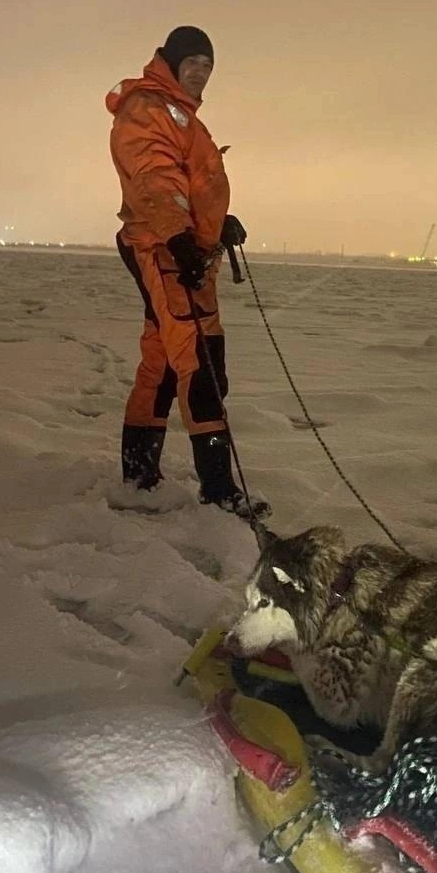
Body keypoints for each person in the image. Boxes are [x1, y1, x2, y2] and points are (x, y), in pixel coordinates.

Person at [107, 25, 269, 519]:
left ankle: (139, 477)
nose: (201, 73)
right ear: (172, 63)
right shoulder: (150, 109)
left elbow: (190, 183)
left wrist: (217, 224)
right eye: (193, 63)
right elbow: (154, 176)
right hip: (163, 249)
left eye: (208, 66)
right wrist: (179, 234)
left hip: (184, 251)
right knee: (201, 363)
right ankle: (218, 493)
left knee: (162, 360)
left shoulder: (182, 117)